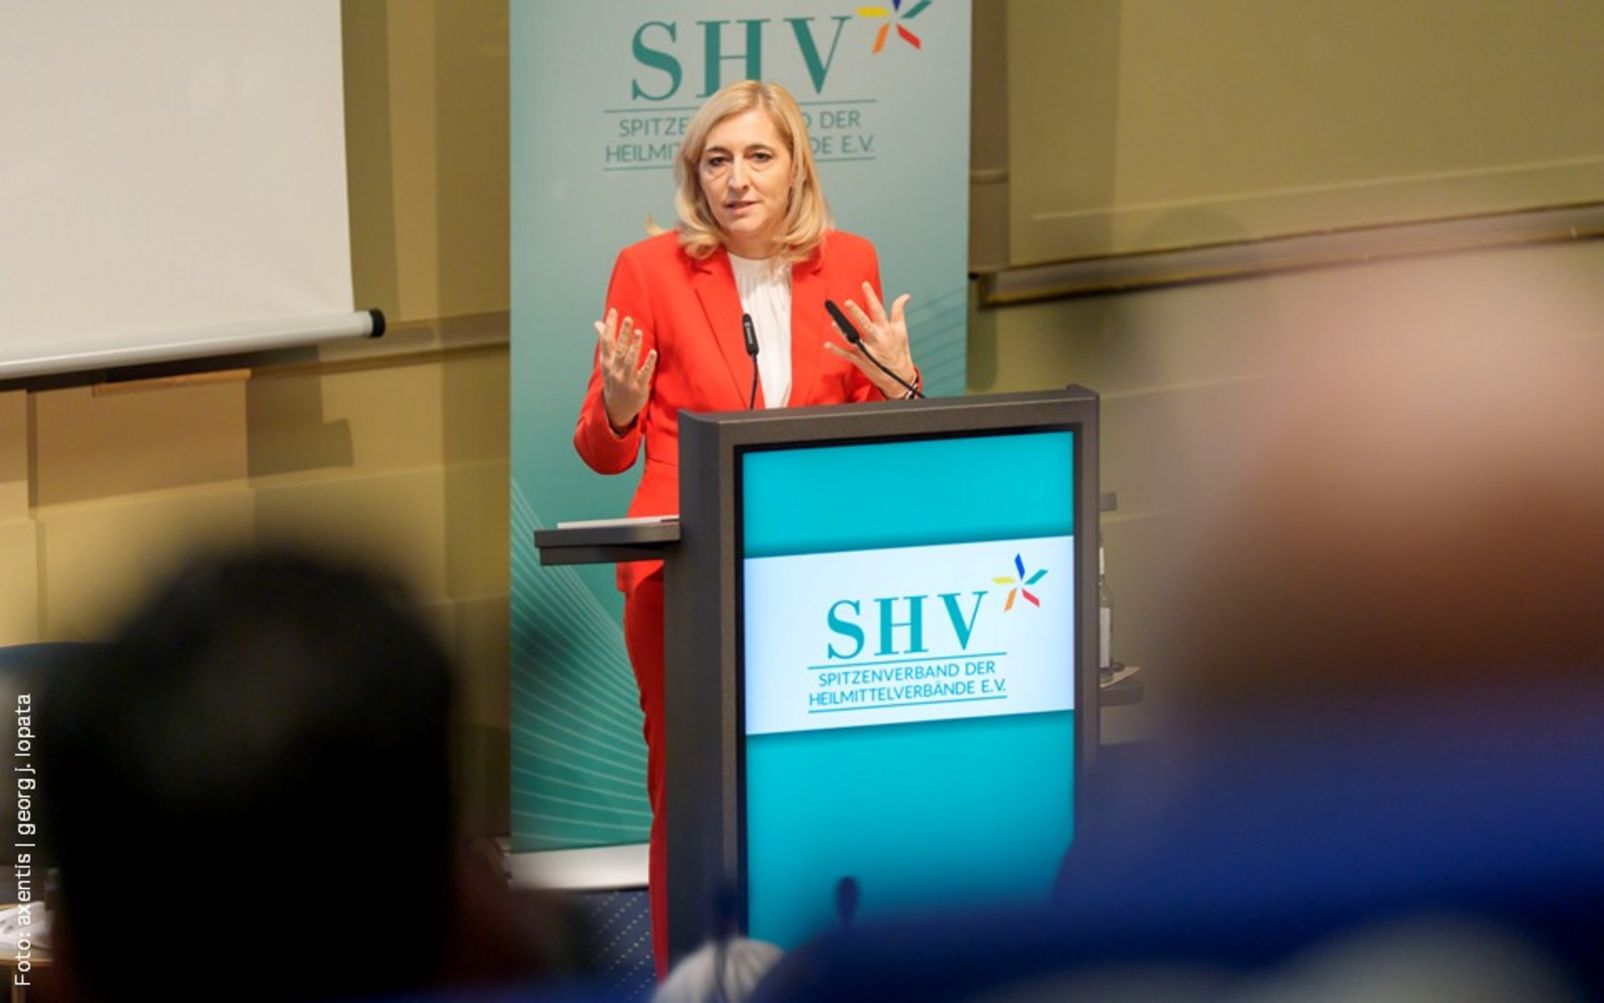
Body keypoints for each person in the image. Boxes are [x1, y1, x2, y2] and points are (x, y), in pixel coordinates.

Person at [573, 79, 922, 976]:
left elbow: (886, 437)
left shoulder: (850, 261)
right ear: (695, 175)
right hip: (681, 573)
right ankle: (684, 979)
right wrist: (619, 405)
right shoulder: (648, 270)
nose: (737, 179)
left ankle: (816, 972)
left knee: (813, 787)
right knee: (690, 793)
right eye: (717, 160)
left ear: (796, 166)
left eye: (759, 156)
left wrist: (900, 385)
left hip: (813, 571)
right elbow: (603, 452)